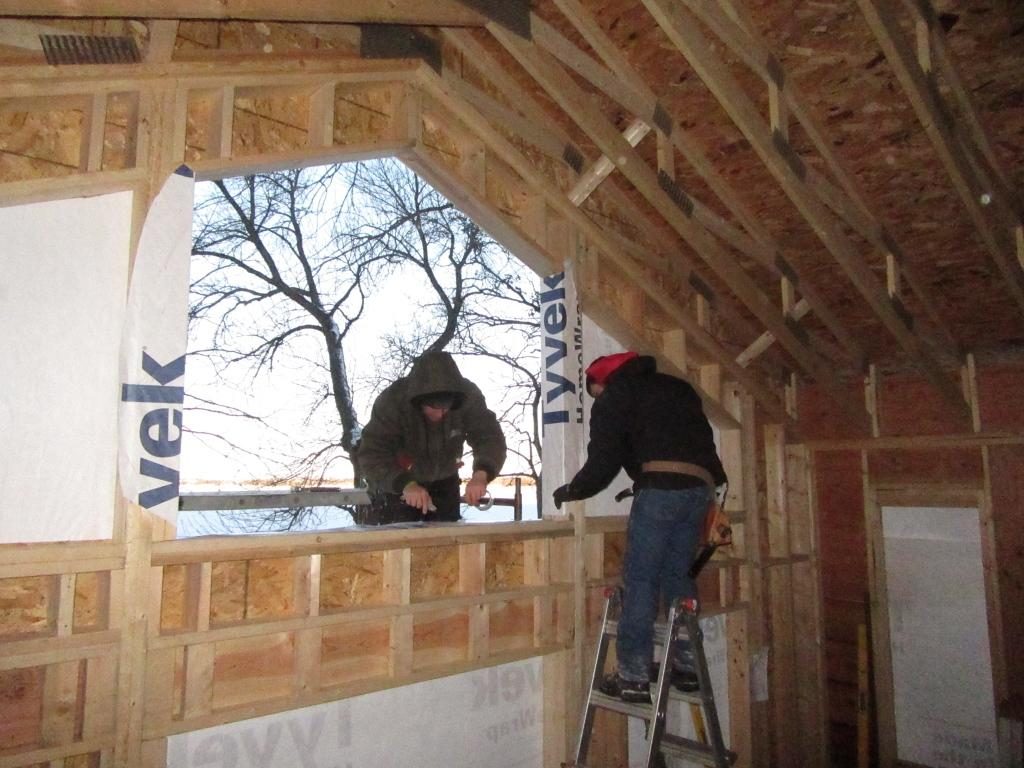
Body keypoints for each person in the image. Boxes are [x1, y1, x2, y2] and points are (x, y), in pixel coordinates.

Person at [552, 351, 727, 704]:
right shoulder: (677, 388)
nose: (598, 398)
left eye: (595, 392)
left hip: (662, 492)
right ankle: (688, 667)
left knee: (641, 579)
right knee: (677, 576)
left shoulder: (616, 395)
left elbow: (604, 458)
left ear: (602, 382)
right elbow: (694, 442)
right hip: (701, 489)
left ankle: (632, 675)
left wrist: (574, 489)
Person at [357, 350, 506, 524]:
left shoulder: (468, 397)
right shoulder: (393, 401)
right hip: (395, 486)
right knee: (398, 543)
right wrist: (405, 484)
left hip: (445, 483)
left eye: (446, 407)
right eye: (433, 407)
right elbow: (372, 453)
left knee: (447, 544)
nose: (440, 414)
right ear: (419, 401)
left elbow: (489, 437)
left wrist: (482, 474)